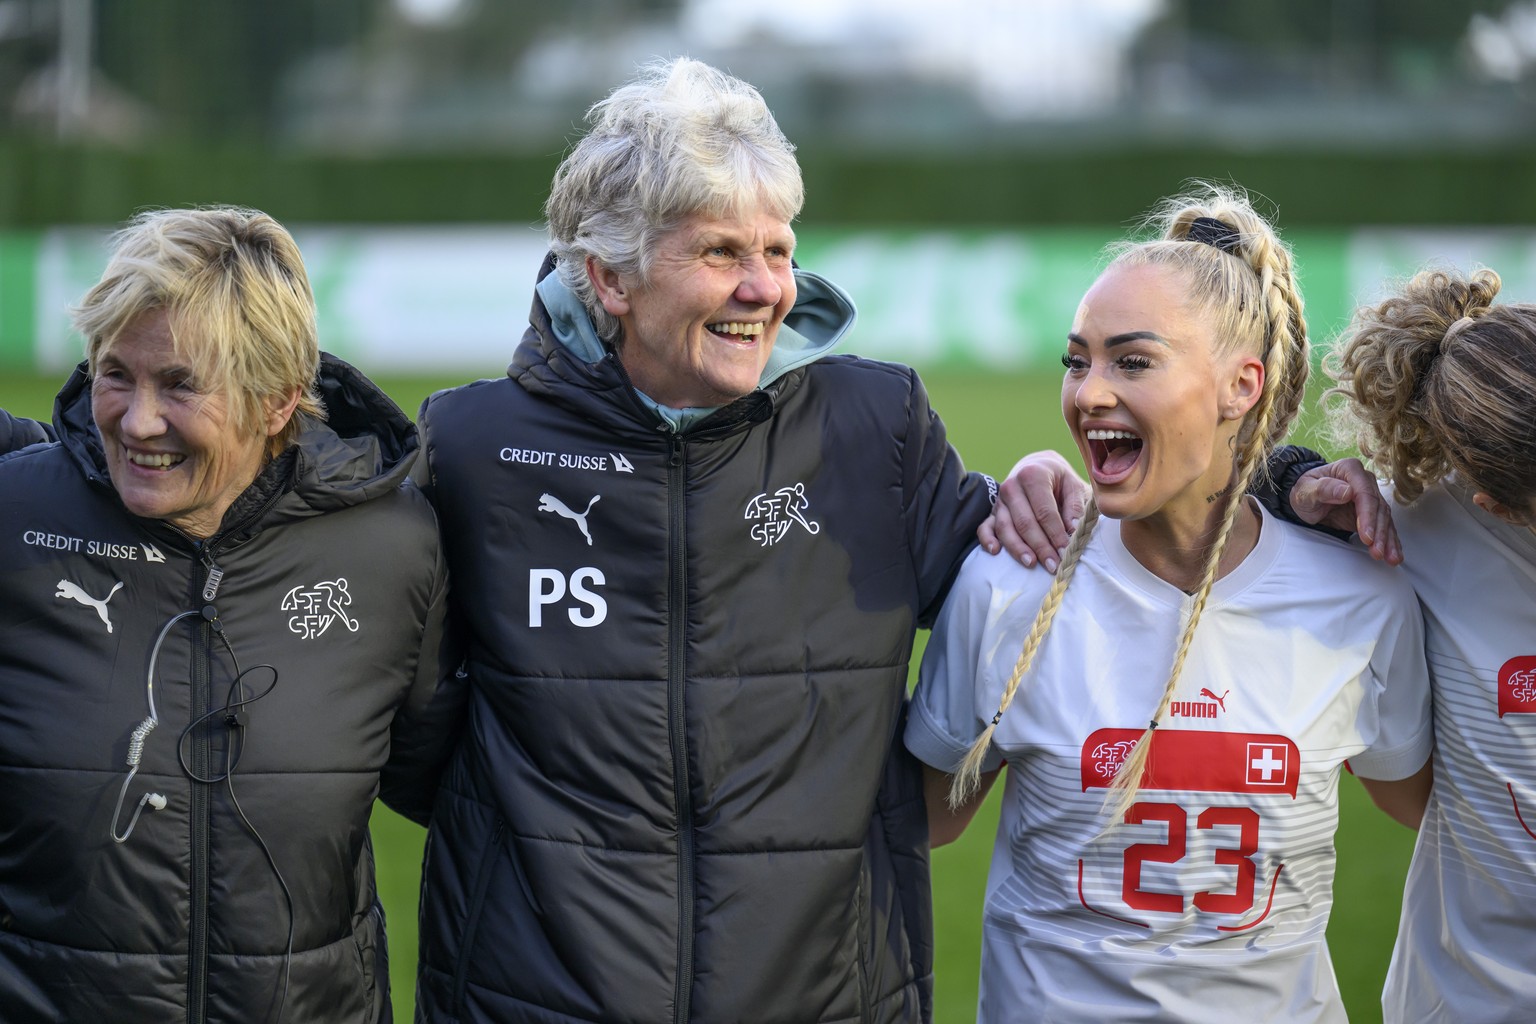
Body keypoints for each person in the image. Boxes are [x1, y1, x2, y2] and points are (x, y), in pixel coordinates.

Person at [411, 58, 995, 1023]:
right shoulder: (471, 445)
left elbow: (1043, 575)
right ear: (609, 277)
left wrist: (1288, 486)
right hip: (530, 999)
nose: (766, 288)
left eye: (779, 248)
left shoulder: (875, 425)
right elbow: (407, 723)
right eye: (722, 252)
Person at [905, 186, 1434, 1022]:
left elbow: (1431, 805)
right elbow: (921, 821)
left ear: (1241, 385)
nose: (1088, 393)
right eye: (1077, 361)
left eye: (1133, 361)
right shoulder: (1009, 584)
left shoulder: (1362, 599)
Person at [0, 206, 457, 1023]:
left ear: (278, 401)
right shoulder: (14, 515)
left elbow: (451, 789)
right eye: (115, 373)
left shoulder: (396, 549)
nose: (138, 422)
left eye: (180, 384)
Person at [1324, 266, 1536, 1024]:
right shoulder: (1415, 534)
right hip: (1467, 1002)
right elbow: (1406, 792)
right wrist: (1295, 481)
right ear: (1498, 506)